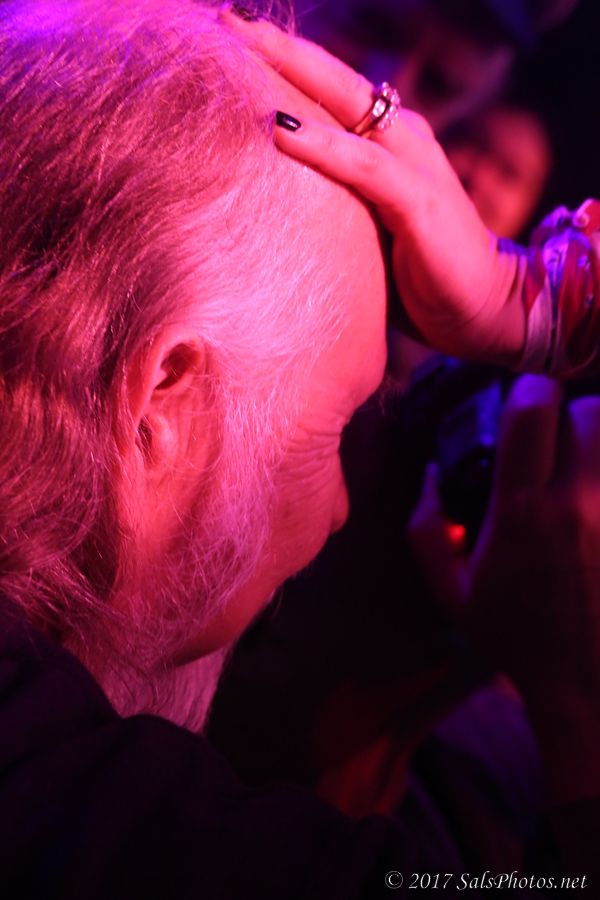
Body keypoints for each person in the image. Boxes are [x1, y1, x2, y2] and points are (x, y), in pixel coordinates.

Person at [0, 2, 599, 898]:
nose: (344, 508)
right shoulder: (111, 833)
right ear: (160, 400)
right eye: (337, 426)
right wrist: (580, 716)